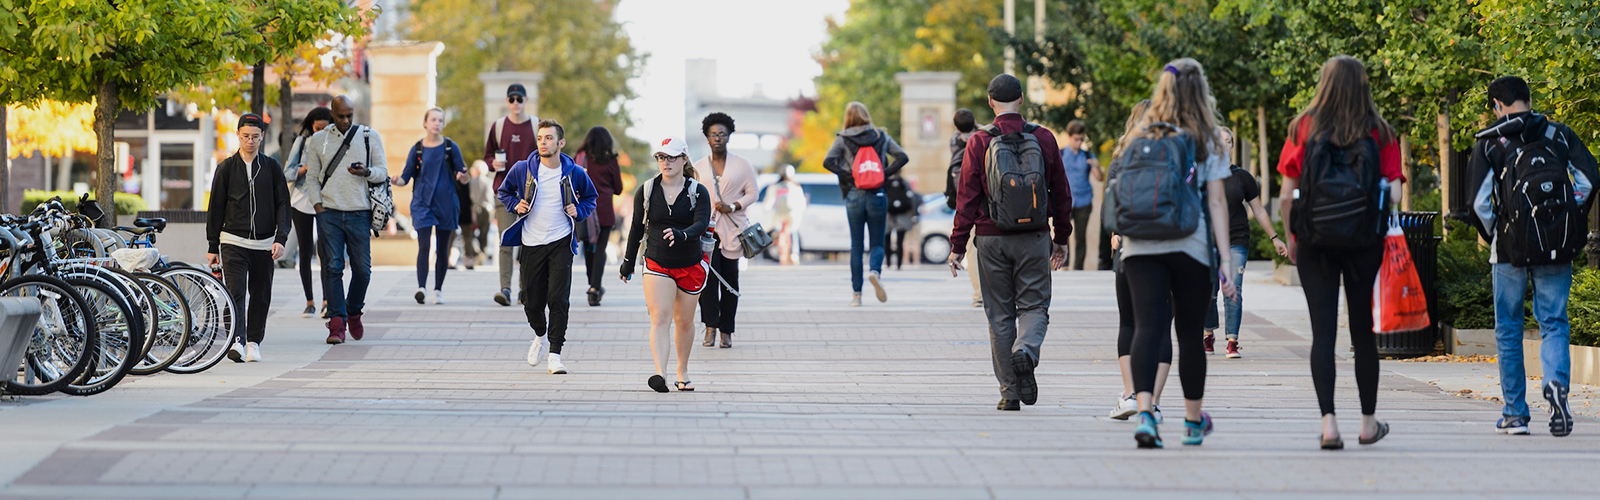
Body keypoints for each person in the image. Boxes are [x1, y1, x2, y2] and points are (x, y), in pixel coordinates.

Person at [1277, 55, 1404, 449]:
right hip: (1363, 240)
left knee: (1323, 333)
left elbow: (1285, 195)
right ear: (1363, 85)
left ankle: (1329, 425)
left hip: (1315, 241)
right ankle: (1368, 423)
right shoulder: (1379, 131)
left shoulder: (1304, 126)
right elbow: (1395, 192)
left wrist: (1293, 237)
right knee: (1363, 331)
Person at [1115, 59, 1236, 448]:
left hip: (1139, 245)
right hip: (1190, 245)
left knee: (1147, 327)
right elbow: (1217, 202)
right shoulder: (1207, 138)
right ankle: (1192, 421)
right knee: (1188, 335)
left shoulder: (1140, 132)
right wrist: (1227, 262)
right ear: (1201, 91)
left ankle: (1146, 413)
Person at [1468, 76, 1597, 438]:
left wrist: (1498, 233)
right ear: (1528, 99)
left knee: (1508, 329)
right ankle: (1556, 385)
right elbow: (1588, 179)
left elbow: (1478, 203)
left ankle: (1515, 415)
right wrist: (1565, 219)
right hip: (1556, 243)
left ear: (1496, 105)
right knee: (1554, 321)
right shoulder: (1559, 134)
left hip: (1509, 251)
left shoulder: (1491, 140)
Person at [949, 74, 1073, 412]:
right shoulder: (1044, 138)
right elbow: (1061, 193)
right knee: (1034, 307)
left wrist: (958, 245)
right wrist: (1061, 238)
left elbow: (967, 199)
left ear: (990, 102)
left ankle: (1009, 393)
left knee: (1000, 315)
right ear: (1021, 99)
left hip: (991, 239)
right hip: (1033, 238)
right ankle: (1026, 351)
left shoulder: (979, 141)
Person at [496, 119, 598, 375]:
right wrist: (515, 204)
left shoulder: (574, 173)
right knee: (530, 301)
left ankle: (555, 354)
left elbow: (590, 198)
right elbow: (503, 191)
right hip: (531, 243)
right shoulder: (523, 170)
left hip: (561, 241)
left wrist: (579, 210)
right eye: (540, 138)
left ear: (561, 143)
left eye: (549, 138)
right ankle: (540, 335)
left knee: (558, 299)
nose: (543, 142)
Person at [619, 137, 713, 392]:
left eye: (671, 157)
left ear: (684, 159)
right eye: (661, 157)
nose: (666, 162)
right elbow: (636, 227)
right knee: (659, 317)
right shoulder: (647, 190)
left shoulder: (698, 191)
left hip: (690, 263)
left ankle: (682, 370)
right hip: (657, 261)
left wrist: (683, 234)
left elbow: (702, 224)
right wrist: (627, 263)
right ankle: (660, 373)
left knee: (684, 321)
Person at [1104, 100, 1173, 423]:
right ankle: (1155, 402)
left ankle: (1132, 395)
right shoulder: (1176, 155)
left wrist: (1115, 235)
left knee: (1130, 322)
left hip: (1130, 250)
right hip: (1172, 249)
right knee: (1161, 326)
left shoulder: (1120, 160)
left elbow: (1110, 211)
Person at [305, 95, 389, 344]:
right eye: (340, 116)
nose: (345, 120)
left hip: (359, 212)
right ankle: (337, 323)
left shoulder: (368, 136)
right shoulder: (318, 140)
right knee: (332, 267)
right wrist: (318, 206)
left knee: (363, 270)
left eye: (349, 115)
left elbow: (382, 172)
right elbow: (312, 177)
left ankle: (354, 310)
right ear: (332, 114)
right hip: (328, 212)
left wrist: (366, 172)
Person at [207, 113, 289, 363]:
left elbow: (283, 204)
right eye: (245, 136)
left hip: (264, 244)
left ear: (262, 137)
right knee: (236, 292)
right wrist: (213, 245)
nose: (250, 141)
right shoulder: (226, 169)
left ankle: (254, 341)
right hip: (233, 241)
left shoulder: (272, 167)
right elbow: (216, 208)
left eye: (255, 137)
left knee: (261, 294)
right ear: (238, 136)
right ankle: (237, 341)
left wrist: (281, 238)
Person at [1204, 128, 1289, 358]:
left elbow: (1259, 210)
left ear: (1233, 146)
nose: (1225, 145)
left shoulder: (1243, 177)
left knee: (1233, 289)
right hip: (1207, 243)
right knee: (1207, 291)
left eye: (1229, 141)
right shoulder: (1203, 176)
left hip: (1237, 240)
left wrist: (1275, 238)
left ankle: (1232, 341)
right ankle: (1207, 334)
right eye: (1219, 142)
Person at [822, 102, 909, 306]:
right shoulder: (881, 136)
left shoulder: (843, 139)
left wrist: (851, 176)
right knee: (877, 242)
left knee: (856, 245)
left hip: (854, 194)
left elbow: (828, 162)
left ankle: (856, 295)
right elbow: (902, 157)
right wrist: (882, 175)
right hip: (877, 193)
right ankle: (875, 272)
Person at [391, 108, 469, 305]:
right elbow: (405, 178)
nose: (437, 123)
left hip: (446, 204)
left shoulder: (451, 147)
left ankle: (438, 290)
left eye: (440, 120)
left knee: (443, 249)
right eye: (433, 119)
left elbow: (464, 176)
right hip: (422, 204)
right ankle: (421, 288)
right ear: (425, 123)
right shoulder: (417, 149)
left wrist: (464, 176)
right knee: (424, 245)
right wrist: (395, 180)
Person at [694, 112, 758, 349]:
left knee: (731, 281)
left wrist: (734, 206)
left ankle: (726, 330)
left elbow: (753, 192)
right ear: (707, 138)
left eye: (722, 134)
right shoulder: (699, 167)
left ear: (729, 136)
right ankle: (710, 326)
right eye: (713, 135)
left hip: (733, 230)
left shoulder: (742, 164)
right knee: (707, 281)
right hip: (707, 232)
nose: (717, 138)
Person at [484, 83, 540, 307]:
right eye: (512, 99)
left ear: (526, 100)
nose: (516, 103)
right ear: (507, 102)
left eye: (519, 99)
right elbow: (487, 156)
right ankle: (505, 289)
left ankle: (524, 290)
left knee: (528, 243)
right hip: (504, 192)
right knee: (506, 242)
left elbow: (546, 155)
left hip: (531, 194)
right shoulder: (498, 127)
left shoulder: (537, 126)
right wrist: (493, 163)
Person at [282, 107, 332, 318]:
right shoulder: (301, 142)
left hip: (326, 199)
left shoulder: (336, 142)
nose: (320, 131)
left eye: (325, 128)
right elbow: (287, 172)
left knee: (325, 251)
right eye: (316, 128)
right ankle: (309, 301)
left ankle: (327, 301)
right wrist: (305, 169)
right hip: (302, 199)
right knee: (304, 251)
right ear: (311, 126)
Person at [575, 126, 624, 307]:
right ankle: (595, 288)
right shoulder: (611, 161)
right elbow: (618, 189)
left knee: (589, 249)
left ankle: (593, 285)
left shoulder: (580, 158)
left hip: (585, 212)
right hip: (603, 211)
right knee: (599, 248)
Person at [949, 108, 983, 307]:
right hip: (985, 199)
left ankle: (979, 294)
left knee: (972, 250)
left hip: (966, 199)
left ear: (956, 127)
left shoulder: (954, 142)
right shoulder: (983, 138)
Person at [1061, 120, 1102, 271]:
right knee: (1062, 235)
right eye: (1076, 139)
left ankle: (1078, 269)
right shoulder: (1061, 154)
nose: (1079, 142)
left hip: (1084, 201)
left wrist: (1096, 165)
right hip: (1066, 201)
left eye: (1081, 139)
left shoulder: (1087, 155)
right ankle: (1062, 265)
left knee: (1080, 237)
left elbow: (1099, 178)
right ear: (1069, 137)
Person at [765, 166, 807, 265]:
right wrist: (801, 210)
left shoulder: (775, 186)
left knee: (777, 230)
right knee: (793, 231)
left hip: (778, 213)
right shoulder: (795, 185)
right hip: (792, 213)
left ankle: (779, 251)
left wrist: (766, 209)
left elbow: (769, 200)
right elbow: (801, 202)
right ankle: (794, 254)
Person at [884, 174, 922, 269]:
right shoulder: (904, 183)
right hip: (903, 215)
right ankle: (898, 264)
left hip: (888, 214)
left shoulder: (886, 182)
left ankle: (888, 263)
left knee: (887, 240)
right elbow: (911, 200)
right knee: (900, 241)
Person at [464, 160, 495, 269]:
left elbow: (470, 199)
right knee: (484, 235)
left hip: (475, 210)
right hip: (487, 210)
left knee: (470, 234)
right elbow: (490, 198)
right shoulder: (489, 181)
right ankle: (482, 257)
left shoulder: (471, 182)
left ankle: (477, 254)